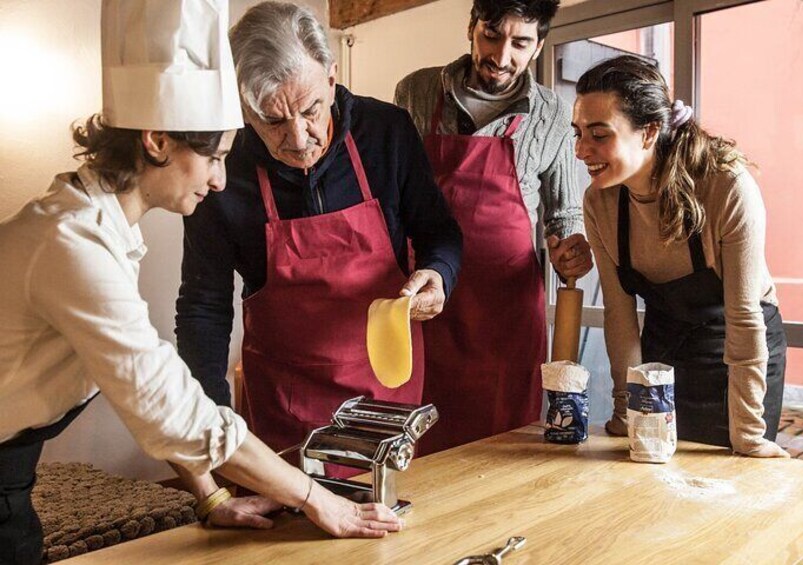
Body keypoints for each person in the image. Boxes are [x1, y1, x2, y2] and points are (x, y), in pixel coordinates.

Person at [0, 2, 402, 562]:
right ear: (158, 140)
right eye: (213, 157)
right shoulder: (71, 244)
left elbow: (153, 391)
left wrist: (210, 497)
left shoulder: (99, 228)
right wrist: (318, 500)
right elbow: (170, 407)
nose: (219, 180)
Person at [174, 1, 462, 517]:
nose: (299, 138)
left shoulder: (387, 133)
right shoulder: (223, 169)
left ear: (332, 79)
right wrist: (214, 436)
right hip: (286, 406)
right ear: (242, 107)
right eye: (272, 120)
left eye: (310, 109)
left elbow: (441, 234)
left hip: (386, 400)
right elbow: (203, 309)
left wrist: (438, 275)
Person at [393, 0, 592, 453]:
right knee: (418, 432)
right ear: (471, 28)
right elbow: (394, 194)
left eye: (520, 42)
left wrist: (571, 251)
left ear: (538, 44)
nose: (502, 57)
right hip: (426, 295)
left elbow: (563, 214)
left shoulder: (553, 113)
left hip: (504, 310)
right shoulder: (416, 92)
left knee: (503, 442)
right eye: (492, 36)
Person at [574, 55, 788, 457]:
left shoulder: (725, 186)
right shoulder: (599, 201)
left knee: (726, 479)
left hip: (740, 347)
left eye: (599, 135)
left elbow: (744, 317)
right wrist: (626, 409)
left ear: (650, 131)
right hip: (666, 343)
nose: (581, 150)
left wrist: (748, 436)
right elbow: (619, 314)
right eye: (579, 132)